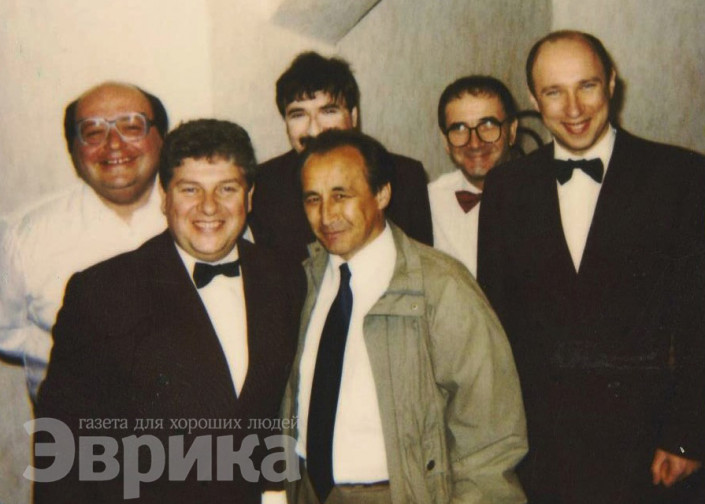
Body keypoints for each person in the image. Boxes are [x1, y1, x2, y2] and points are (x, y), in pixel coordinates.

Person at [477, 30, 705, 503]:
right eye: (554, 92)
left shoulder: (681, 176)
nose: (574, 108)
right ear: (533, 100)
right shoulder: (505, 188)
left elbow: (698, 317)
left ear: (612, 83)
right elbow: (495, 325)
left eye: (587, 86)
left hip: (647, 441)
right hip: (543, 445)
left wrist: (687, 434)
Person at [35, 119, 303, 503]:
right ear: (164, 196)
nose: (208, 206)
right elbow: (61, 448)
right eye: (190, 189)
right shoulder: (101, 292)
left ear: (249, 197)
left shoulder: (286, 279)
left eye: (226, 189)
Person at [281, 129, 527, 503]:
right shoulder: (306, 281)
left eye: (341, 196)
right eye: (313, 199)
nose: (326, 215)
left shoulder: (442, 287)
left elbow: (491, 439)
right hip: (307, 492)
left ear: (382, 194)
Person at [0, 82, 168, 401]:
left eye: (132, 127)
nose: (114, 144)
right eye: (93, 132)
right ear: (73, 149)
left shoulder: (204, 219)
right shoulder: (24, 236)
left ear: (161, 138)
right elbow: (6, 331)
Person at [249, 51, 433, 262]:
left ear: (353, 116)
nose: (314, 129)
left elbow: (423, 266)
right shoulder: (263, 186)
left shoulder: (404, 176)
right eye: (298, 114)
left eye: (328, 111)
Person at [429, 76, 518, 276]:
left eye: (488, 125)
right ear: (445, 141)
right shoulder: (430, 201)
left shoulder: (546, 195)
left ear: (512, 131)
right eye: (459, 128)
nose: (475, 143)